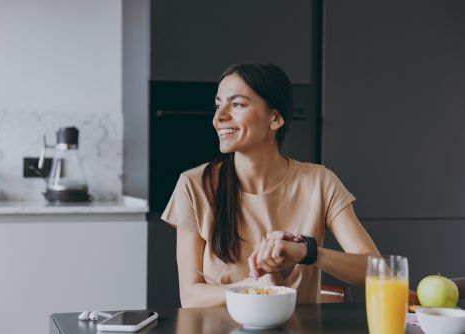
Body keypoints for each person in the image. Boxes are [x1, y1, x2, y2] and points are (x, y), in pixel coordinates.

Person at [161, 63, 380, 307]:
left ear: (274, 118)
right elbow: (190, 297)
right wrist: (257, 287)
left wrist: (308, 252)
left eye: (236, 104)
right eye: (218, 105)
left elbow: (377, 270)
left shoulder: (319, 181)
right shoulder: (194, 185)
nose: (219, 117)